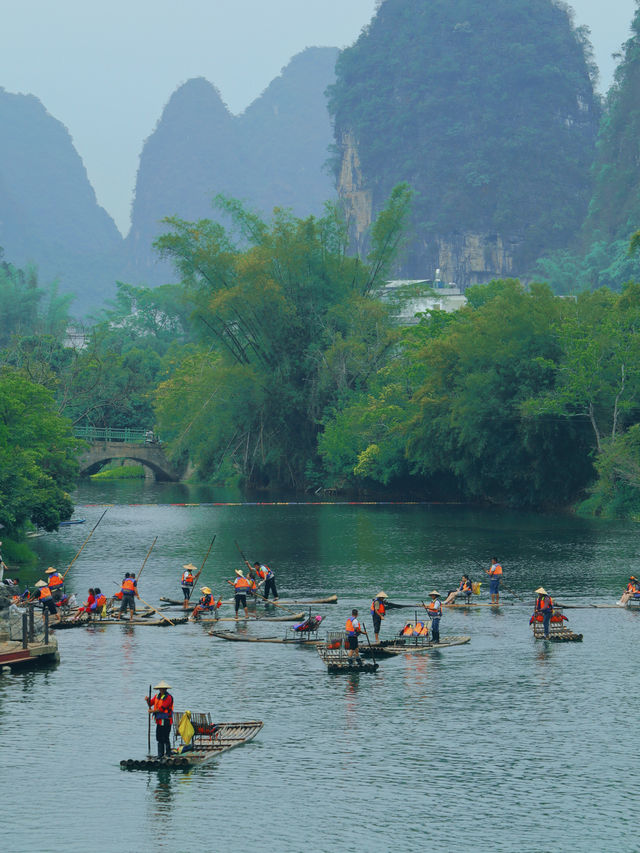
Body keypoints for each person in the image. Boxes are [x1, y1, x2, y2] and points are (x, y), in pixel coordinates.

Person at [146, 680, 174, 758]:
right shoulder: (157, 696)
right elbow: (150, 703)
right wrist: (147, 700)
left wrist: (152, 711)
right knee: (159, 737)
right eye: (160, 688)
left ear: (165, 689)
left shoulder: (168, 697)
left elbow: (161, 708)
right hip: (159, 721)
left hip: (166, 720)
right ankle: (160, 754)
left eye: (163, 688)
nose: (161, 690)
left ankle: (168, 753)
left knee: (165, 737)